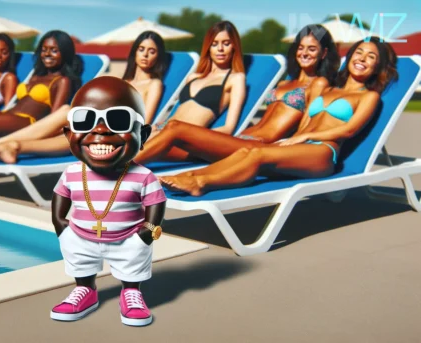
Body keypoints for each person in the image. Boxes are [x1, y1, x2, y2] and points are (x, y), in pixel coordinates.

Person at [158, 37, 398, 197]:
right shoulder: (327, 89)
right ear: (351, 57)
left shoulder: (369, 97)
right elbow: (304, 123)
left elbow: (349, 131)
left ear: (378, 68)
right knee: (247, 152)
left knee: (257, 153)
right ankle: (190, 176)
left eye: (371, 57)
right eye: (359, 53)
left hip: (323, 152)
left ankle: (200, 183)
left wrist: (304, 138)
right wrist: (295, 137)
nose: (362, 59)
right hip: (301, 147)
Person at [133, 24, 340, 165]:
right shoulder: (286, 82)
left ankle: (122, 167)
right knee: (152, 141)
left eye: (312, 49)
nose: (304, 53)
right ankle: (117, 164)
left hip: (247, 143)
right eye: (301, 47)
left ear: (323, 54)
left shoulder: (318, 83)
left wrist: (289, 146)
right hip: (239, 137)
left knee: (171, 129)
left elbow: (308, 122)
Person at [50, 76, 167, 326]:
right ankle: (86, 290)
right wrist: (61, 226)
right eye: (84, 121)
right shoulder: (72, 173)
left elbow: (155, 203)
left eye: (118, 120)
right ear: (68, 133)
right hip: (80, 235)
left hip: (128, 238)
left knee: (132, 264)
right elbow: (61, 195)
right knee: (80, 263)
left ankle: (131, 292)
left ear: (142, 134)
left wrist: (147, 232)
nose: (101, 130)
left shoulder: (143, 176)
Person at [0, 30, 169, 163]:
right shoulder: (122, 82)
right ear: (134, 52)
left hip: (120, 127)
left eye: (152, 51)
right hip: (102, 120)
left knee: (75, 132)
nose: (145, 55)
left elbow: (144, 121)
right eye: (141, 49)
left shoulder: (154, 84)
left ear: (157, 56)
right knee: (65, 111)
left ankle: (9, 145)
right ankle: (3, 143)